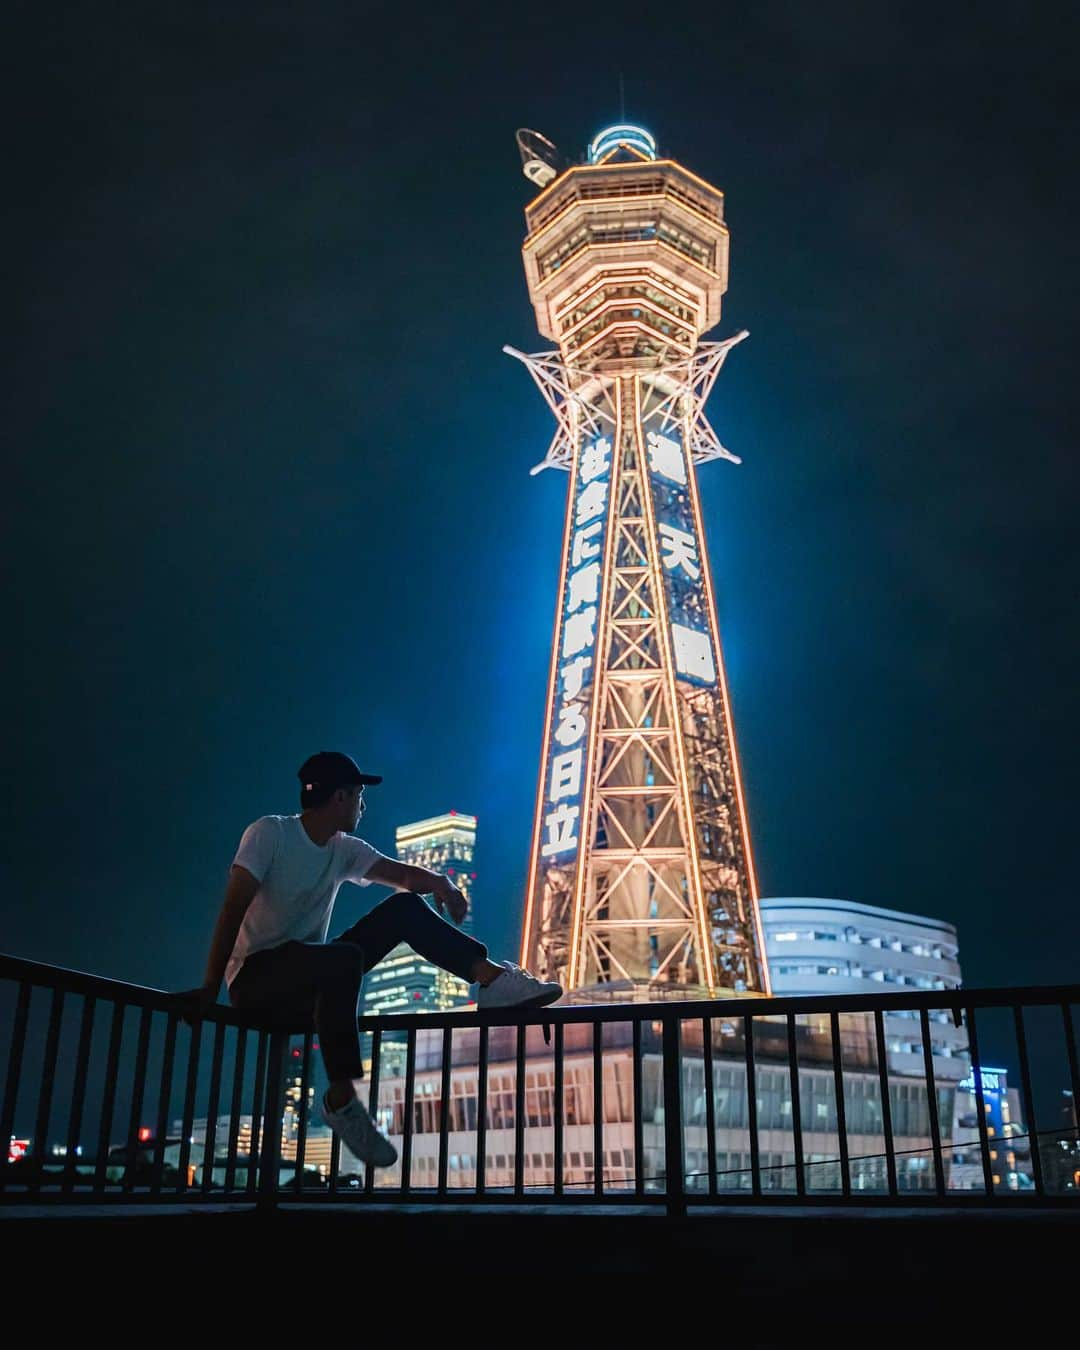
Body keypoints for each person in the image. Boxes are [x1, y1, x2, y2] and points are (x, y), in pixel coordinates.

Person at [175, 750, 562, 1169]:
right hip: (256, 981)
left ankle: (492, 981)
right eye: (360, 795)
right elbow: (232, 908)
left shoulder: (343, 849)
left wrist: (443, 884)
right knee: (342, 958)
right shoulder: (270, 834)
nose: (364, 804)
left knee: (404, 909)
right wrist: (211, 987)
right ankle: (341, 1101)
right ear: (340, 797)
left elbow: (403, 878)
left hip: (311, 975)